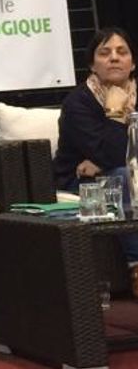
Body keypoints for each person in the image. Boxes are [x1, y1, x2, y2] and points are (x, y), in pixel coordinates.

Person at [53, 27, 138, 290]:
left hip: (117, 175)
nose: (114, 57)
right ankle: (136, 266)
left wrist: (102, 161)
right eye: (105, 53)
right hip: (81, 189)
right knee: (123, 176)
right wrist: (114, 111)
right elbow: (112, 154)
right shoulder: (78, 103)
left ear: (132, 63)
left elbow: (108, 156)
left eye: (122, 52)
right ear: (92, 64)